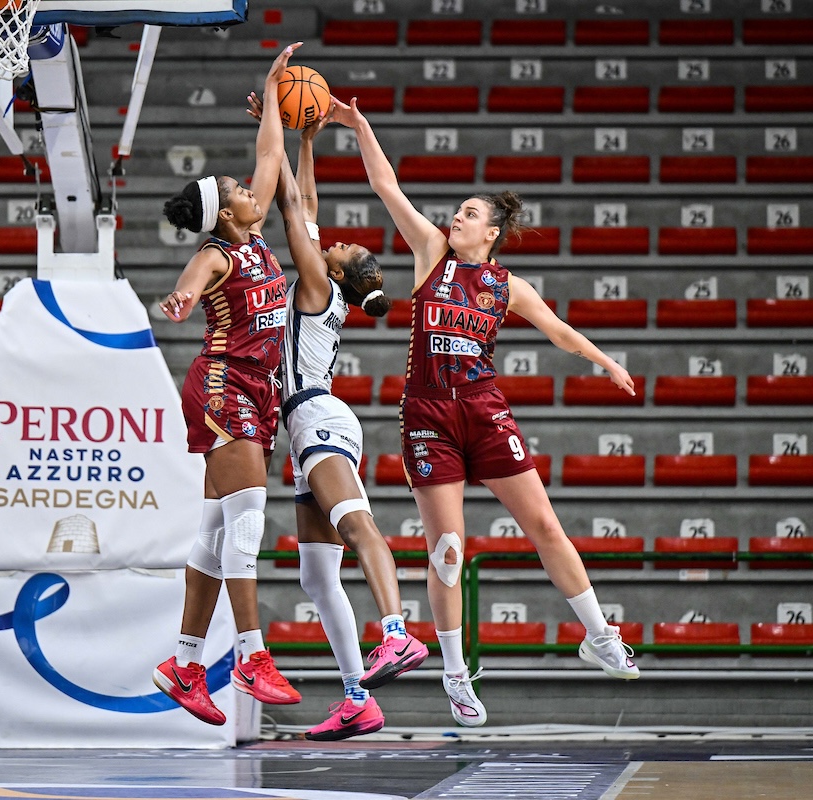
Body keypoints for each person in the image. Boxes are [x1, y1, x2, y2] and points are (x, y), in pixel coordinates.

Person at [331, 97, 640, 727]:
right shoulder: (428, 253)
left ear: (490, 232)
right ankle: (454, 673)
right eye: (458, 211)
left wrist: (606, 363)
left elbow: (559, 331)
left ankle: (598, 634)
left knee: (546, 528)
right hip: (427, 415)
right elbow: (385, 184)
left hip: (484, 409)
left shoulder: (508, 286)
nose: (456, 217)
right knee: (447, 548)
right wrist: (360, 126)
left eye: (469, 213)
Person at [245, 93, 428, 741]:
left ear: (340, 273)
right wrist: (307, 141)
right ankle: (357, 698)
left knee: (358, 526)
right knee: (318, 575)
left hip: (317, 417)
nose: (339, 240)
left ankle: (399, 633)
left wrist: (274, 117)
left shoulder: (317, 287)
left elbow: (296, 209)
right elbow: (311, 210)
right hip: (306, 425)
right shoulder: (323, 285)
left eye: (345, 247)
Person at [151, 44, 303, 726]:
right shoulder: (216, 251)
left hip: (254, 387)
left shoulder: (250, 233)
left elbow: (270, 156)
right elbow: (188, 282)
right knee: (246, 521)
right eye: (239, 191)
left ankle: (184, 665)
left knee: (213, 532)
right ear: (225, 213)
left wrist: (271, 90)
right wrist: (179, 302)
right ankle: (250, 654)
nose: (251, 188)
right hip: (222, 384)